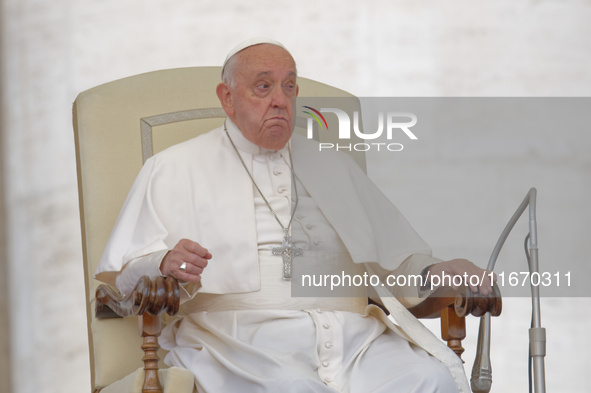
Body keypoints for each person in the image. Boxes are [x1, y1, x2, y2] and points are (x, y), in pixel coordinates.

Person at [96, 38, 494, 393]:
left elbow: (396, 265)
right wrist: (162, 261)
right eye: (264, 87)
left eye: (289, 87)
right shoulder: (173, 167)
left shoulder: (334, 166)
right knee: (291, 386)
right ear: (227, 97)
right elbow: (125, 276)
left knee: (430, 379)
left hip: (355, 340)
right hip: (239, 341)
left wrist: (443, 270)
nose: (280, 100)